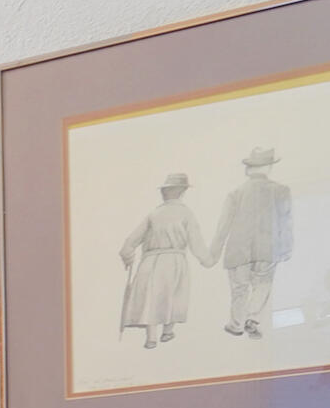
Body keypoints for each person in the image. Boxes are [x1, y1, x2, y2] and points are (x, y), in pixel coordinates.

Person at [119, 173, 211, 347]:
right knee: (174, 295)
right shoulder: (186, 213)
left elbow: (130, 241)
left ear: (165, 192)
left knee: (151, 298)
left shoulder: (154, 213)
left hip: (150, 261)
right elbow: (196, 243)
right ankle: (167, 332)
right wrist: (207, 260)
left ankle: (151, 338)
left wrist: (127, 255)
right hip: (175, 261)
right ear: (183, 192)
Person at [212, 146, 293, 339]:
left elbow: (223, 226)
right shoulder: (281, 190)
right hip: (268, 248)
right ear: (268, 167)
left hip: (238, 249)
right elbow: (286, 221)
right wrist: (286, 247)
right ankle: (253, 318)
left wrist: (214, 252)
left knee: (239, 288)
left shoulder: (235, 193)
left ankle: (236, 324)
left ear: (250, 169)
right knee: (263, 284)